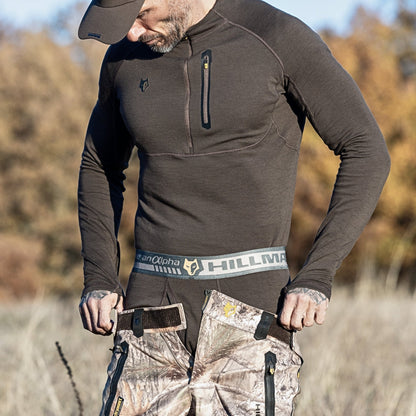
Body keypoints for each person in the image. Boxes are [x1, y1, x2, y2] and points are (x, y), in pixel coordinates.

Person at [77, 0, 390, 414]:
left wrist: (317, 274)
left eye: (141, 15)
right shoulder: (123, 58)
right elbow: (98, 164)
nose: (132, 34)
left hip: (250, 320)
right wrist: (100, 274)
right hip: (149, 320)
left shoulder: (277, 36)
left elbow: (366, 150)